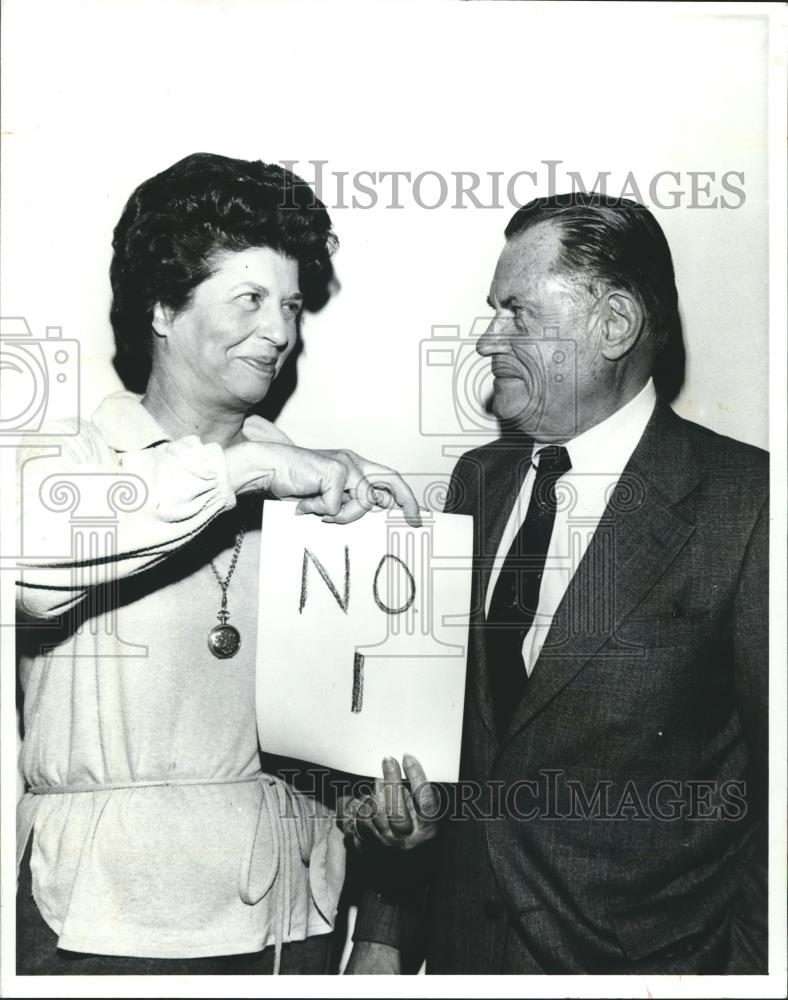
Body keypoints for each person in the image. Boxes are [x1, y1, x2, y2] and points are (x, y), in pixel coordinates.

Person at [14, 152, 420, 975]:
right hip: (106, 924)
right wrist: (245, 472)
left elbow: (359, 738)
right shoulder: (66, 464)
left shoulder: (324, 487)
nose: (280, 332)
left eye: (292, 306)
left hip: (289, 925)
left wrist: (385, 907)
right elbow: (29, 576)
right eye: (250, 300)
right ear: (163, 309)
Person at [344, 193, 768, 974]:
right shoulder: (479, 481)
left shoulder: (748, 506)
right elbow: (435, 739)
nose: (485, 339)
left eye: (518, 313)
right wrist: (385, 929)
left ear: (613, 325)